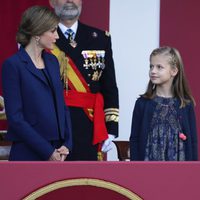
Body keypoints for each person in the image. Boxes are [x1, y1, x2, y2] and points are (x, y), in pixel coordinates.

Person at [49, 0, 119, 160]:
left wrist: (111, 127)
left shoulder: (100, 37)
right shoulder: (42, 38)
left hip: (89, 125)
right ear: (52, 2)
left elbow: (109, 85)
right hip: (54, 124)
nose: (70, 1)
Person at [1, 6, 72, 161]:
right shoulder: (13, 65)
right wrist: (47, 152)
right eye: (52, 31)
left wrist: (67, 143)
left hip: (58, 150)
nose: (57, 37)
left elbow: (62, 106)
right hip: (28, 152)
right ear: (37, 33)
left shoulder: (52, 61)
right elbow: (15, 118)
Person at [130, 46, 198, 161]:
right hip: (148, 169)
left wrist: (194, 172)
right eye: (151, 66)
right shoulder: (142, 104)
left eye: (159, 67)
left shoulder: (186, 104)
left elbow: (193, 142)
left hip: (179, 170)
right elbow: (135, 139)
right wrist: (135, 168)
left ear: (174, 71)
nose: (153, 71)